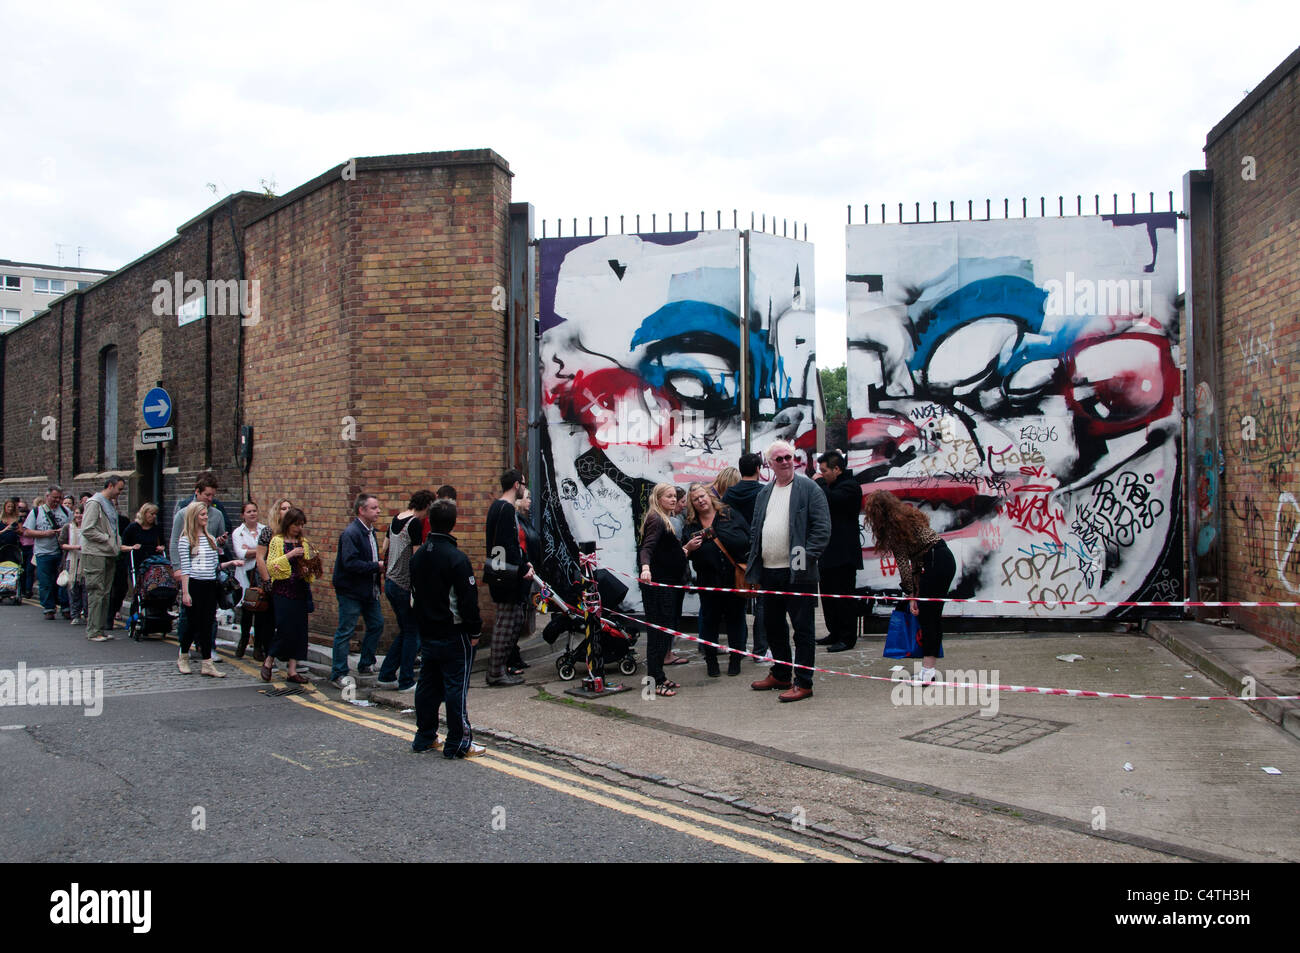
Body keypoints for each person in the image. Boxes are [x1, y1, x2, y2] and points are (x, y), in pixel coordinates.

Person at [746, 440, 831, 703]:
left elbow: (821, 529)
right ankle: (781, 673)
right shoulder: (764, 492)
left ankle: (803, 682)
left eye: (788, 457)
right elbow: (756, 530)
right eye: (779, 458)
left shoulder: (808, 488)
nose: (784, 462)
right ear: (769, 464)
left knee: (802, 629)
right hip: (769, 571)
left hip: (797, 573)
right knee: (773, 626)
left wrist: (800, 561)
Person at [410, 498, 485, 758]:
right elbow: (468, 601)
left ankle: (425, 737)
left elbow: (415, 594)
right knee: (456, 688)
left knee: (428, 685)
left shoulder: (419, 556)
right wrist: (475, 631)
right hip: (454, 633)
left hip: (427, 631)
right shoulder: (456, 558)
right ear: (454, 523)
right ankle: (458, 743)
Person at [862, 490, 956, 685]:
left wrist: (910, 593)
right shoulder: (908, 517)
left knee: (928, 617)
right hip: (944, 558)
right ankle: (928, 668)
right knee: (932, 616)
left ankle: (928, 671)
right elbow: (916, 560)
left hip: (934, 562)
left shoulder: (894, 528)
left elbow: (904, 564)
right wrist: (915, 592)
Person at [683, 483, 751, 677]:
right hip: (708, 580)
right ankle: (711, 661)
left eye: (703, 496)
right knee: (709, 622)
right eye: (696, 499)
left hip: (733, 579)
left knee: (735, 621)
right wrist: (690, 547)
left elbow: (747, 537)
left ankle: (735, 660)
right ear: (692, 504)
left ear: (710, 496)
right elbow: (684, 552)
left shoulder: (729, 514)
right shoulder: (691, 524)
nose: (701, 501)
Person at [377, 490, 435, 692]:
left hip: (391, 582)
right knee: (413, 632)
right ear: (426, 505)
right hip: (404, 584)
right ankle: (406, 681)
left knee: (406, 631)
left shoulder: (396, 518)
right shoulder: (415, 523)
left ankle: (385, 675)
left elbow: (385, 546)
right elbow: (417, 559)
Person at [171, 473, 232, 663]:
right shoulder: (183, 513)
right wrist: (177, 568)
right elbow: (175, 543)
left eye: (213, 495)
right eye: (207, 495)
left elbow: (219, 545)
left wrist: (221, 542)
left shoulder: (217, 514)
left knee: (209, 615)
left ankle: (208, 649)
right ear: (197, 492)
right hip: (190, 572)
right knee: (187, 614)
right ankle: (184, 649)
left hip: (209, 573)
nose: (210, 499)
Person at [177, 501, 241, 677]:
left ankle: (207, 663)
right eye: (203, 515)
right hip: (194, 584)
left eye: (206, 514)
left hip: (209, 584)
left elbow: (215, 566)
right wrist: (186, 592)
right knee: (191, 623)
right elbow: (185, 568)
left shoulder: (211, 539)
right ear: (194, 517)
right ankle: (183, 656)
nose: (206, 517)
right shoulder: (186, 540)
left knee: (207, 624)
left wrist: (231, 563)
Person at [638, 482, 689, 696]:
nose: (673, 499)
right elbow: (646, 547)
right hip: (659, 587)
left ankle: (660, 678)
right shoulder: (656, 519)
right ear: (658, 498)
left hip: (667, 584)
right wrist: (646, 568)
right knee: (657, 634)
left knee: (663, 632)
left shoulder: (664, 518)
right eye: (668, 496)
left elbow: (664, 551)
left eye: (674, 496)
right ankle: (654, 684)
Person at [483, 469, 533, 687]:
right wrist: (522, 568)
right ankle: (495, 672)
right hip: (507, 576)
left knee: (512, 620)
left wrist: (523, 562)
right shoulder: (504, 508)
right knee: (506, 623)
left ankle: (500, 669)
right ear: (516, 485)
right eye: (523, 483)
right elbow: (507, 544)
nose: (524, 487)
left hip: (506, 572)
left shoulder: (500, 507)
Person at [330, 493, 385, 687]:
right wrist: (376, 566)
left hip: (369, 590)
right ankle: (338, 672)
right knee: (346, 630)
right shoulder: (351, 533)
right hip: (351, 591)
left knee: (377, 624)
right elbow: (350, 563)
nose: (378, 511)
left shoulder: (370, 532)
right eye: (374, 508)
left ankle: (366, 663)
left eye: (377, 507)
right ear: (362, 510)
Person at [814, 450, 865, 653]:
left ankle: (847, 637)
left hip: (844, 554)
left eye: (824, 470)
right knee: (828, 596)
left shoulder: (850, 487)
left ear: (837, 469)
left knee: (843, 597)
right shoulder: (832, 486)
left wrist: (819, 484)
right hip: (828, 552)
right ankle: (834, 632)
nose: (822, 474)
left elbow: (832, 501)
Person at [724, 451, 769, 661]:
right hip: (760, 550)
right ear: (759, 469)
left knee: (737, 600)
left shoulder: (729, 494)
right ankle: (760, 650)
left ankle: (739, 648)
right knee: (762, 601)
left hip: (735, 553)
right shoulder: (764, 492)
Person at [264, 506, 317, 684]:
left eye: (302, 525)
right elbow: (271, 565)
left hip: (300, 591)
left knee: (299, 631)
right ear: (288, 524)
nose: (299, 528)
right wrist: (290, 555)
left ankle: (292, 670)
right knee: (285, 628)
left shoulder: (304, 542)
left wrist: (307, 568)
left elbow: (310, 567)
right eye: (296, 524)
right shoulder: (277, 541)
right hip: (283, 590)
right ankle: (269, 659)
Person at [81, 476, 127, 642]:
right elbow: (87, 529)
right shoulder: (95, 503)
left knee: (105, 593)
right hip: (95, 553)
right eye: (119, 489)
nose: (120, 493)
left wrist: (115, 542)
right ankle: (93, 631)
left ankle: (100, 629)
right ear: (110, 485)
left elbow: (114, 529)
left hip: (108, 553)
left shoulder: (110, 504)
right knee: (96, 592)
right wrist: (107, 538)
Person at [253, 498, 293, 663]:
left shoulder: (292, 533)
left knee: (284, 619)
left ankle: (282, 650)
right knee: (268, 619)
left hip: (286, 581)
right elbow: (260, 558)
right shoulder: (269, 532)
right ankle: (265, 649)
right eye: (284, 508)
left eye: (290, 508)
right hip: (270, 580)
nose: (287, 511)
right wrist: (267, 580)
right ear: (277, 512)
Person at [22, 487, 72, 620]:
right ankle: (49, 608)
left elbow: (74, 528)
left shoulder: (66, 512)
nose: (57, 500)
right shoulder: (36, 512)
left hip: (62, 552)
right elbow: (26, 531)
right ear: (47, 496)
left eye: (59, 498)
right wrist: (45, 533)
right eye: (54, 497)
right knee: (45, 582)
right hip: (43, 553)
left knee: (64, 581)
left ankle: (65, 606)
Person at [231, 501, 268, 659]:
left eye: (254, 510)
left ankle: (258, 647)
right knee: (246, 611)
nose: (252, 514)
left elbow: (267, 551)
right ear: (243, 515)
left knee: (260, 609)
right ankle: (243, 641)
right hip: (245, 575)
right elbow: (240, 553)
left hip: (260, 573)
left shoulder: (264, 530)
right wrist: (259, 550)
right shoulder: (238, 533)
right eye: (249, 512)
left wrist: (251, 550)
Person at [511, 486, 542, 674]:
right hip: (520, 573)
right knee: (514, 617)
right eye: (527, 498)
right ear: (518, 501)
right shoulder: (516, 522)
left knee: (520, 614)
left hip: (527, 571)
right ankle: (510, 658)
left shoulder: (523, 520)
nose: (530, 501)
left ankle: (515, 656)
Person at [58, 505, 87, 624]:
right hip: (72, 560)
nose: (78, 515)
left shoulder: (89, 528)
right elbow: (62, 544)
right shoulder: (68, 527)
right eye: (76, 513)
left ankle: (87, 614)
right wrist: (76, 547)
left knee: (86, 589)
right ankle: (75, 614)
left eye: (81, 513)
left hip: (86, 560)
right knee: (73, 588)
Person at [17, 499, 36, 598]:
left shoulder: (30, 523)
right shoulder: (17, 524)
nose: (22, 518)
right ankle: (21, 589)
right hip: (20, 547)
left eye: (24, 516)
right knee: (21, 570)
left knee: (29, 570)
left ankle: (28, 590)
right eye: (21, 516)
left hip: (31, 547)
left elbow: (29, 532)